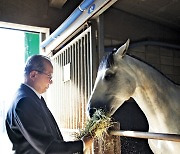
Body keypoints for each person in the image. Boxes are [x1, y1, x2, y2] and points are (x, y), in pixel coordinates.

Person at [6, 55, 93, 154]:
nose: (51, 82)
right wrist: (82, 144)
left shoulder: (32, 98)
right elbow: (48, 148)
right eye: (49, 76)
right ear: (33, 75)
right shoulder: (25, 102)